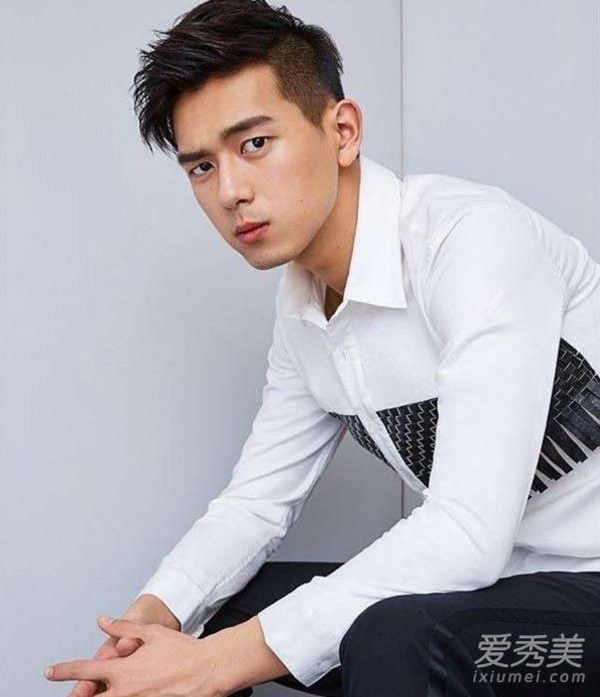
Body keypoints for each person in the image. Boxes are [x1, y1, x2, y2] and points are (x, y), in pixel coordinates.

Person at [51, 1, 600, 695]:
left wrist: (217, 664)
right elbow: (255, 505)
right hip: (496, 590)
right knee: (218, 613)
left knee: (388, 634)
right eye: (202, 167)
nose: (231, 191)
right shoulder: (302, 312)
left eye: (255, 143)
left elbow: (467, 533)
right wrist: (145, 627)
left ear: (343, 130)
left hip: (582, 595)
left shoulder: (471, 242)